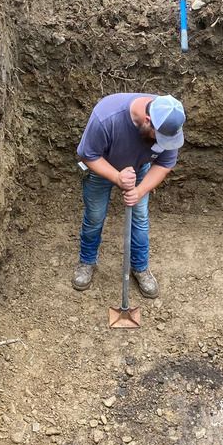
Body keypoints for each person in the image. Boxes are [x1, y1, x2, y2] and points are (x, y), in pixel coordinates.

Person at [73, 93, 186, 298]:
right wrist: (117, 177)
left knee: (140, 218)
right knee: (95, 217)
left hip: (140, 167)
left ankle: (140, 268)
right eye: (157, 136)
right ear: (147, 121)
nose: (160, 141)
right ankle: (87, 261)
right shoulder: (106, 117)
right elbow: (88, 154)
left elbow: (164, 163)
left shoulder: (169, 123)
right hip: (103, 166)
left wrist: (139, 191)